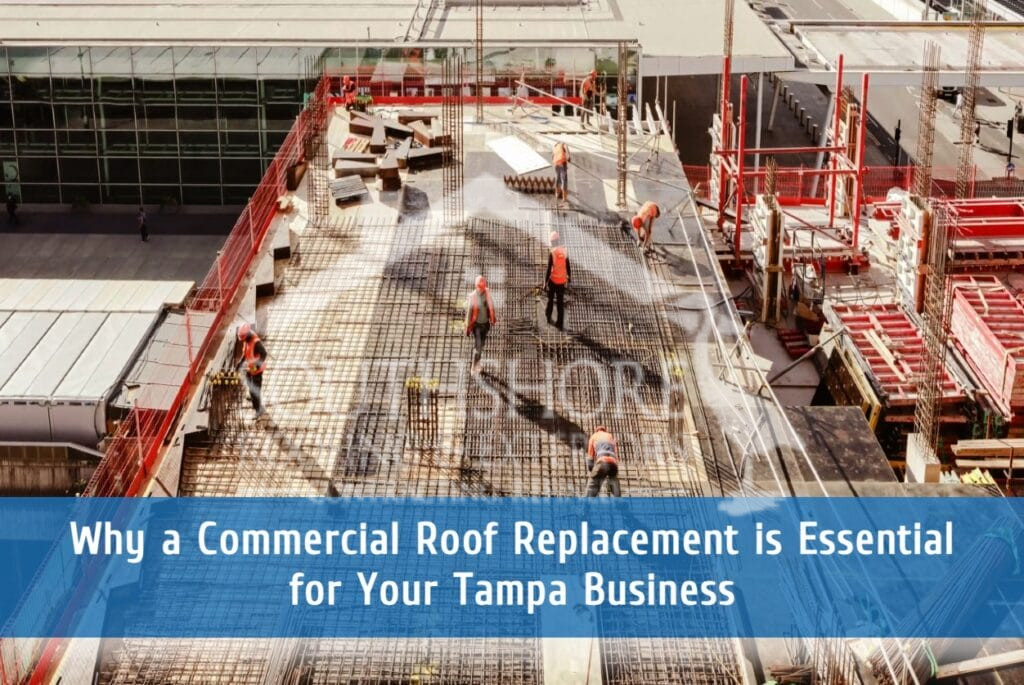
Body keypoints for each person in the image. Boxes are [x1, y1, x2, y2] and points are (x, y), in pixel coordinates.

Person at [465, 275, 496, 375]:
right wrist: (468, 327)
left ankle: (477, 363)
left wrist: (493, 317)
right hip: (477, 325)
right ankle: (474, 366)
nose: (482, 288)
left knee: (481, 346)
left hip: (485, 324)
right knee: (478, 347)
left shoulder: (487, 293)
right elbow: (469, 313)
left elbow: (491, 306)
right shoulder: (473, 297)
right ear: (476, 286)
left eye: (483, 286)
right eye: (480, 286)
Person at [237, 323, 268, 419]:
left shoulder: (256, 343)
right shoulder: (247, 340)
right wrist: (240, 362)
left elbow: (264, 354)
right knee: (250, 386)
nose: (243, 340)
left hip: (256, 370)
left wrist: (257, 367)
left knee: (255, 390)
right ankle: (252, 396)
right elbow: (245, 353)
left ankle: (259, 410)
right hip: (250, 368)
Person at [545, 230, 571, 329]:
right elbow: (568, 266)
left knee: (550, 300)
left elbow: (548, 268)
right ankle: (559, 324)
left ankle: (548, 317)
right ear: (558, 240)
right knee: (560, 303)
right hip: (562, 282)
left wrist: (545, 282)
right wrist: (569, 278)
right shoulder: (564, 251)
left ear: (552, 242)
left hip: (553, 281)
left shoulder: (552, 252)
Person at [586, 425, 621, 497]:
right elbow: (615, 452)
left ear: (597, 430)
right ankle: (618, 501)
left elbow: (590, 457)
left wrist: (592, 470)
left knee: (592, 484)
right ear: (604, 430)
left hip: (602, 461)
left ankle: (586, 504)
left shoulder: (594, 436)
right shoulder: (610, 436)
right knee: (613, 480)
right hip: (613, 463)